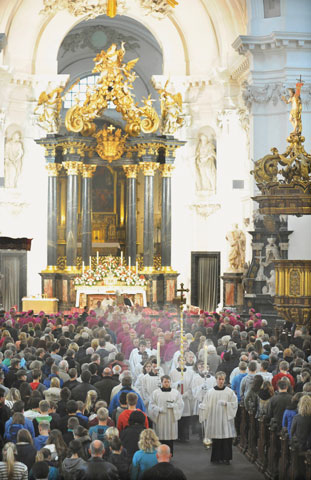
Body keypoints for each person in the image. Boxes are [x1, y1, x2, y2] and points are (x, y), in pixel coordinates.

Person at [200, 371, 238, 465]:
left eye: (222, 379)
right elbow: (205, 404)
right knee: (216, 439)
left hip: (226, 419)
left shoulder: (229, 392)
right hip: (215, 418)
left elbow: (234, 404)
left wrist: (226, 404)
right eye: (219, 379)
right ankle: (216, 458)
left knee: (226, 439)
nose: (221, 381)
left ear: (225, 380)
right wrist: (202, 407)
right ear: (216, 380)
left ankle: (226, 458)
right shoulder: (210, 392)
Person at [148, 375, 184, 454]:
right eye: (165, 382)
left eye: (168, 382)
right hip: (160, 418)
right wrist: (158, 409)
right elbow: (151, 405)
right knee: (160, 438)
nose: (167, 384)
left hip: (171, 417)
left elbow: (180, 404)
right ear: (161, 383)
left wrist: (174, 406)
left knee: (170, 438)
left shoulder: (175, 393)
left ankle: (169, 454)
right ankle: (160, 454)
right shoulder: (156, 393)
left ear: (170, 382)